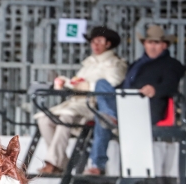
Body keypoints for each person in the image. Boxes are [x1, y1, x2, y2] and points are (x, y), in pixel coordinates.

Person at [86, 25, 185, 174]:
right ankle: (97, 163)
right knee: (102, 93)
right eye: (150, 42)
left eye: (156, 43)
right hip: (126, 104)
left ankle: (98, 161)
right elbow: (124, 84)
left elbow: (170, 85)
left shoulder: (171, 64)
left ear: (164, 45)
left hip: (145, 107)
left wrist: (155, 89)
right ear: (144, 44)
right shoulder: (137, 64)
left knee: (103, 116)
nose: (152, 46)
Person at [35, 26, 127, 175]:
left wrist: (87, 86)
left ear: (108, 44)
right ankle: (61, 162)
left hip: (93, 105)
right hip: (76, 103)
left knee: (66, 117)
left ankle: (52, 162)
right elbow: (78, 81)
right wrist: (65, 82)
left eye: (99, 41)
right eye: (93, 42)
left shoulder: (116, 64)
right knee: (44, 119)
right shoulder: (89, 63)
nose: (95, 45)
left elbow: (112, 84)